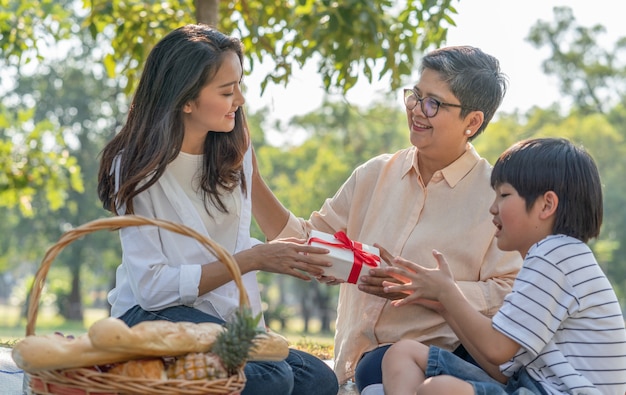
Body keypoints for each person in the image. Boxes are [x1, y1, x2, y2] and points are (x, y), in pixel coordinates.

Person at [251, 45, 523, 393]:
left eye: (433, 104)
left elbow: (510, 292)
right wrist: (252, 180)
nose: (416, 111)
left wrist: (433, 291)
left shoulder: (495, 196)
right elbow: (306, 242)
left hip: (431, 374)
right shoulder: (375, 174)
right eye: (415, 96)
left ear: (472, 122)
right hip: (353, 370)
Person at [96, 24, 339, 395]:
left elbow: (277, 226)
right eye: (227, 91)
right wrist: (252, 260)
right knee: (272, 379)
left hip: (215, 320)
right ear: (185, 100)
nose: (239, 99)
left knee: (318, 380)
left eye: (239, 86)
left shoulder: (233, 153)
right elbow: (151, 288)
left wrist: (332, 261)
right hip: (148, 316)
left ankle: (180, 378)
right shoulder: (136, 167)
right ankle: (146, 377)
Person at [381, 137, 626, 395]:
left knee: (439, 389)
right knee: (402, 353)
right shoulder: (556, 256)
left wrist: (447, 292)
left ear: (546, 205)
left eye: (504, 195)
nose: (492, 208)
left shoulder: (554, 256)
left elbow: (497, 349)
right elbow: (502, 367)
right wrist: (443, 304)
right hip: (531, 384)